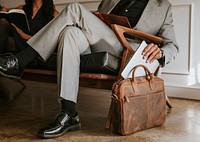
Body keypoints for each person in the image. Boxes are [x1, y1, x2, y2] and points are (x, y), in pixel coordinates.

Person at [0, 0, 179, 138]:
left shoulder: (163, 6)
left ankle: (20, 61)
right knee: (69, 32)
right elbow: (99, 20)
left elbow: (173, 46)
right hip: (99, 43)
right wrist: (94, 17)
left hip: (126, 52)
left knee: (75, 9)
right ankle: (69, 113)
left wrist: (160, 52)